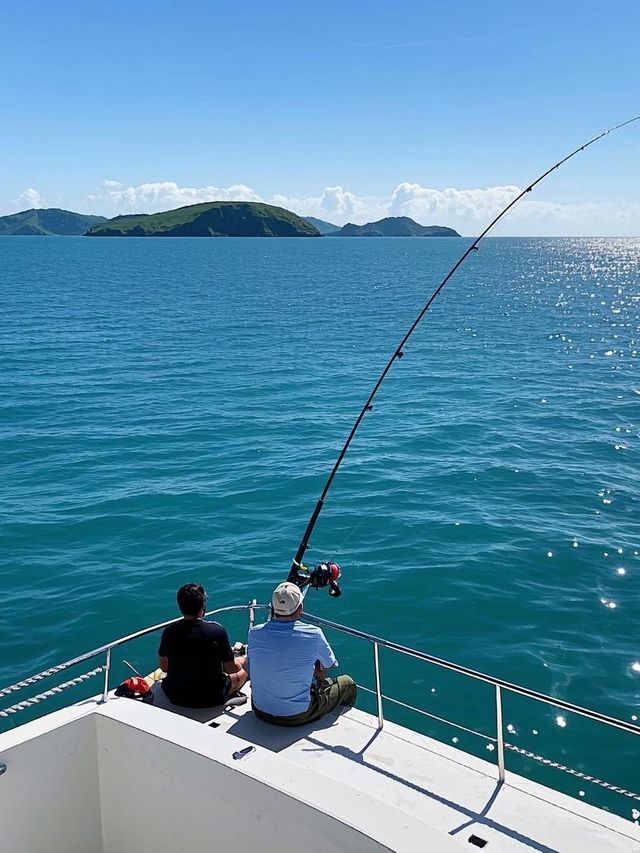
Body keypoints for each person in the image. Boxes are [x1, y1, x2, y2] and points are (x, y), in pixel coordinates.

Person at [247, 581, 356, 726]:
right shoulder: (314, 633)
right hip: (296, 715)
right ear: (300, 608)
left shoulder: (254, 633)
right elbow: (329, 664)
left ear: (273, 608)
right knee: (347, 683)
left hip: (259, 710)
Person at [157, 583, 247, 708]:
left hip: (175, 694)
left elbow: (164, 667)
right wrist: (241, 663)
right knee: (243, 673)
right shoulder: (217, 631)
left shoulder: (169, 631)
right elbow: (231, 669)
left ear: (180, 606)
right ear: (202, 607)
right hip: (210, 696)